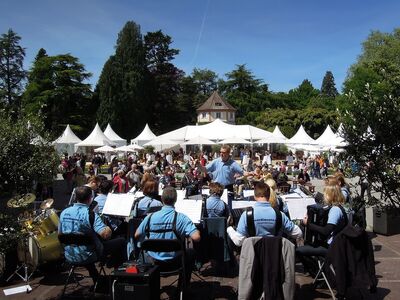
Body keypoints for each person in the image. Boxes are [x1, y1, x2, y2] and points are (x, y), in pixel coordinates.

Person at [59, 186, 127, 283]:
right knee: (122, 241)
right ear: (91, 198)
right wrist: (107, 226)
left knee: (85, 245)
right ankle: (119, 276)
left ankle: (97, 279)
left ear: (76, 197)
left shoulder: (64, 212)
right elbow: (106, 235)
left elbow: (60, 234)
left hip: (70, 254)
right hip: (89, 255)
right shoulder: (90, 214)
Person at [135, 187, 201, 286]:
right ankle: (182, 287)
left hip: (153, 262)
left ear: (161, 199)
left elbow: (136, 235)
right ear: (176, 200)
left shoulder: (150, 217)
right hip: (175, 261)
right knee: (191, 252)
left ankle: (151, 287)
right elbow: (196, 237)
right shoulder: (182, 218)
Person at [227, 182, 302, 247]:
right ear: (269, 196)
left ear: (255, 197)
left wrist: (229, 229)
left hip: (254, 258)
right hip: (275, 258)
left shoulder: (246, 215)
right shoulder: (279, 215)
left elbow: (239, 241)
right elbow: (298, 233)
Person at [296, 183, 347, 274]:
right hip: (337, 244)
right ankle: (319, 271)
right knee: (308, 243)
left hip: (332, 247)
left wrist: (308, 224)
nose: (324, 196)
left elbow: (326, 231)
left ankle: (316, 273)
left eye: (325, 193)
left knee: (299, 251)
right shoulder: (339, 207)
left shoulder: (335, 210)